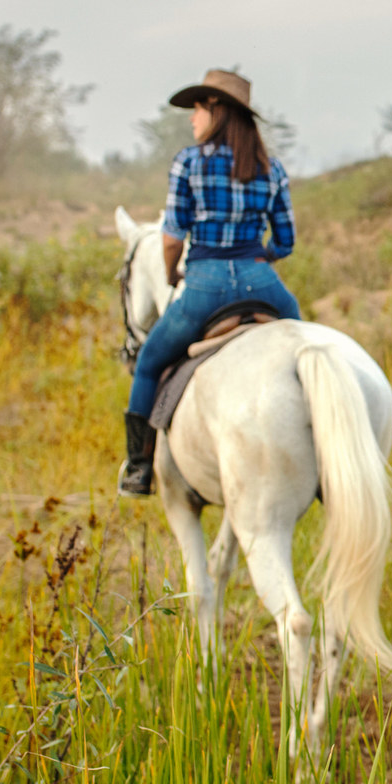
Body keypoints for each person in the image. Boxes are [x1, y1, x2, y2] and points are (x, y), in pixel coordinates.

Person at [118, 69, 303, 498]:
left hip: (204, 288)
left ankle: (139, 467)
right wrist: (260, 257)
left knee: (148, 362)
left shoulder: (189, 162)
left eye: (197, 108)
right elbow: (286, 241)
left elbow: (170, 239)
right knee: (308, 354)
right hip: (264, 285)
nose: (192, 119)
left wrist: (172, 274)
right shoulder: (270, 168)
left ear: (217, 111)